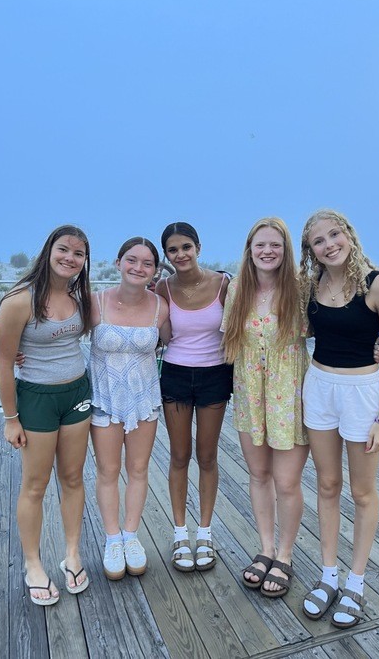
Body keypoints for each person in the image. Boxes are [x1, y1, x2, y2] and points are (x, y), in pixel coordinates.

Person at [299, 209, 379, 628]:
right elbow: (305, 330)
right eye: (319, 241)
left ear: (349, 235)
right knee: (327, 484)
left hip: (362, 393)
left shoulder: (378, 285)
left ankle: (355, 583)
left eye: (334, 234)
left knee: (362, 491)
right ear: (311, 251)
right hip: (319, 387)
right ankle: (329, 576)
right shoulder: (311, 286)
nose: (329, 245)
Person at [0, 225, 92, 606]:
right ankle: (33, 564)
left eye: (79, 254)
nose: (70, 258)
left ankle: (72, 555)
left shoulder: (79, 296)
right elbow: (4, 363)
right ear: (49, 250)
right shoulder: (20, 300)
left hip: (77, 394)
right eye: (64, 249)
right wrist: (11, 418)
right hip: (36, 398)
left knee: (73, 478)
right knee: (35, 485)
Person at [221, 217, 309, 598]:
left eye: (275, 244)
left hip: (290, 393)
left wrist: (377, 344)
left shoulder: (302, 288)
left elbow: (341, 318)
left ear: (286, 249)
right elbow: (224, 338)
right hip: (250, 394)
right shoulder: (237, 288)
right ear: (250, 249)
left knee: (286, 481)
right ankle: (266, 549)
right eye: (260, 245)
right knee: (259, 475)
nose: (267, 251)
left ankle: (285, 555)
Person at [89, 237, 171, 579]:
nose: (139, 267)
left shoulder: (160, 307)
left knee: (138, 469)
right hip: (104, 398)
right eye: (132, 260)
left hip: (144, 398)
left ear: (155, 270)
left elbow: (178, 340)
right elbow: (62, 334)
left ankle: (131, 535)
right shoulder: (95, 302)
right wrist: (22, 352)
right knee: (107, 471)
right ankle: (112, 539)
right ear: (118, 262)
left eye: (147, 263)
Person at [155, 222, 233, 572]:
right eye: (173, 250)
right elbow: (157, 333)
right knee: (178, 455)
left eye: (186, 247)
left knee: (207, 456)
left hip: (215, 375)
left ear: (198, 248)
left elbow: (245, 325)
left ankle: (204, 533)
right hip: (175, 373)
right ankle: (179, 534)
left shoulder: (224, 284)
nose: (181, 254)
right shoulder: (162, 287)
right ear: (167, 255)